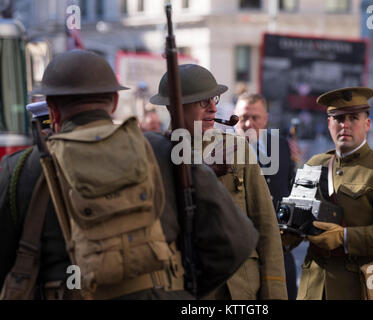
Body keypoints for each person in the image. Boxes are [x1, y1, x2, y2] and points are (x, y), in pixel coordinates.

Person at [0, 50, 258, 300]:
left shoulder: (19, 169)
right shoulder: (164, 150)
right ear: (113, 101)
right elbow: (237, 240)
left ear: (52, 110)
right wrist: (182, 290)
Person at [150, 64, 288, 300]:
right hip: (184, 289)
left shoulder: (236, 149)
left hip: (240, 290)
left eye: (214, 99)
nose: (213, 107)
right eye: (202, 101)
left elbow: (266, 227)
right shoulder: (154, 156)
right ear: (174, 106)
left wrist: (274, 292)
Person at [283, 86, 373, 300]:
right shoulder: (314, 164)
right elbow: (296, 221)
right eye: (338, 118)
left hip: (358, 287)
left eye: (353, 118)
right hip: (313, 287)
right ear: (329, 124)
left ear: (367, 124)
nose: (345, 124)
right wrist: (287, 232)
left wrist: (344, 237)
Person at [233, 92, 297, 300]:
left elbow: (289, 189)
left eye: (255, 117)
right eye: (243, 117)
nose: (249, 123)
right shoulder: (221, 150)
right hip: (240, 254)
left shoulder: (281, 146)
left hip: (278, 250)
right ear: (235, 117)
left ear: (266, 119)